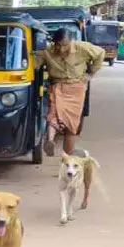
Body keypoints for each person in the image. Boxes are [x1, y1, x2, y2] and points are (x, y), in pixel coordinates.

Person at [37, 27, 106, 156]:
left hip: (76, 88)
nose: (61, 49)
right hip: (57, 86)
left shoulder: (82, 47)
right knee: (54, 113)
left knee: (72, 124)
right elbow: (35, 64)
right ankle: (50, 141)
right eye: (58, 45)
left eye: (65, 45)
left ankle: (68, 157)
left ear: (71, 42)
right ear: (54, 42)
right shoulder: (47, 51)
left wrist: (91, 73)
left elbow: (101, 53)